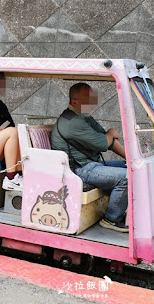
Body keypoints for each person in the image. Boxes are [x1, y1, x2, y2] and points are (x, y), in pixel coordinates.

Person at [50, 82, 129, 233]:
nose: (93, 102)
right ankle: (111, 219)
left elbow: (108, 140)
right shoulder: (71, 122)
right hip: (78, 170)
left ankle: (117, 211)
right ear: (75, 101)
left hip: (92, 165)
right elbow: (103, 142)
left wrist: (132, 160)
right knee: (126, 177)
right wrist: (110, 133)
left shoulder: (83, 117)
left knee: (130, 168)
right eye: (89, 98)